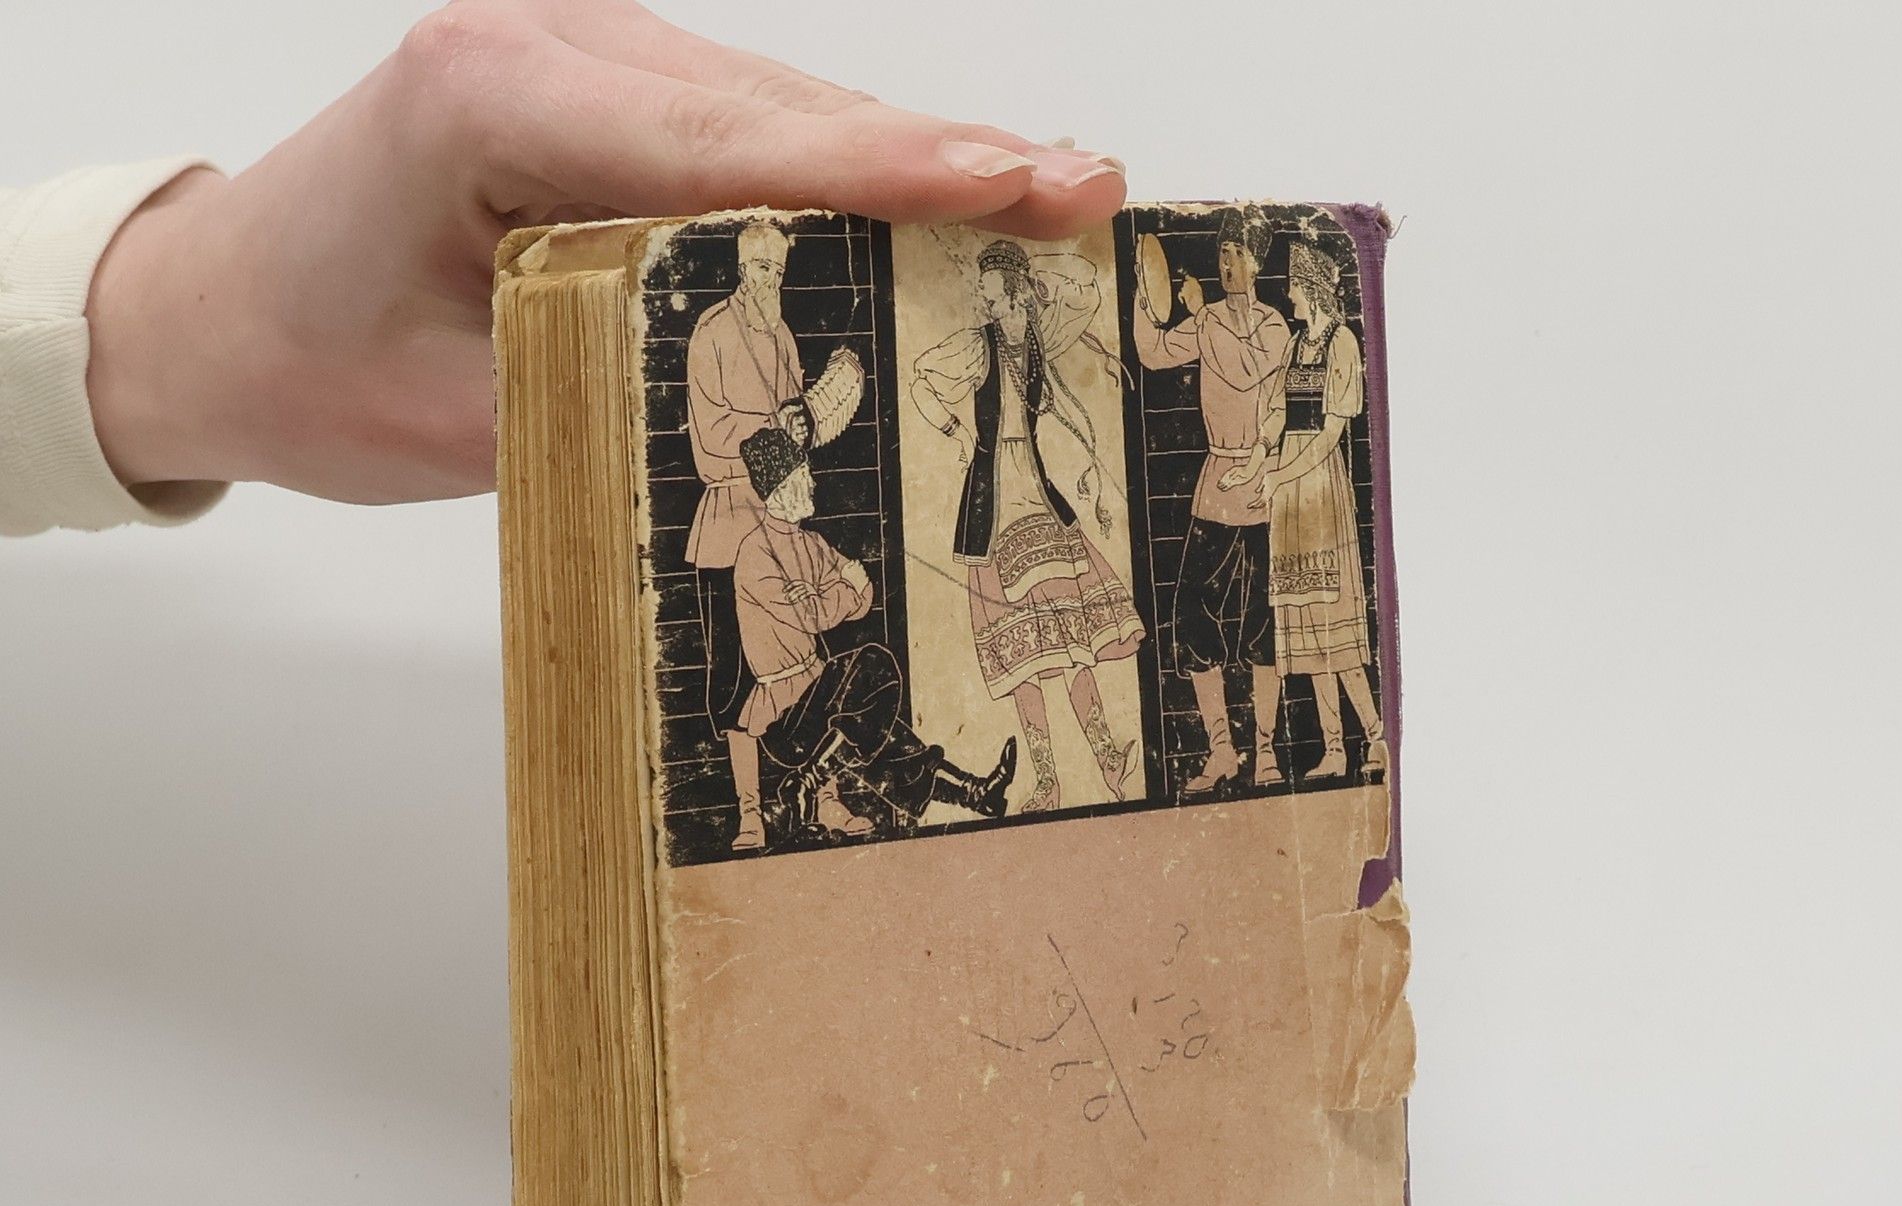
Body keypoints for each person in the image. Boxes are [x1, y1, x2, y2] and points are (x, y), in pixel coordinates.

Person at [0, 1, 1126, 540]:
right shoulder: (739, 336)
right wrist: (184, 335)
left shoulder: (794, 331)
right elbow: (741, 448)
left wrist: (159, 329)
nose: (769, 268)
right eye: (763, 260)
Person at [909, 237, 1142, 815]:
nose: (984, 300)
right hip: (992, 511)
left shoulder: (1037, 341)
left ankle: (1109, 760)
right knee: (1023, 658)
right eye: (983, 291)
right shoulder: (979, 346)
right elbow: (920, 378)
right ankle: (1047, 781)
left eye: (992, 290)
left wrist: (1038, 271)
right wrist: (956, 432)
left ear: (1014, 290)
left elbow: (1082, 300)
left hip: (1037, 497)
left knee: (1073, 640)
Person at [732, 426, 1016, 843]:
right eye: (803, 475)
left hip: (821, 697)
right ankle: (809, 782)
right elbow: (814, 614)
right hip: (783, 719)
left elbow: (864, 596)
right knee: (873, 664)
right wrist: (838, 590)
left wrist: (831, 594)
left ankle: (975, 793)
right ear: (781, 488)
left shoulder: (812, 542)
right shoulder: (755, 552)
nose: (812, 483)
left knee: (881, 731)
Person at [1132, 205, 1294, 792]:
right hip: (1214, 485)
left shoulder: (1274, 328)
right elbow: (1152, 352)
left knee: (1263, 624)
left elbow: (1244, 369)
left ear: (1258, 262)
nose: (1228, 264)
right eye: (1223, 252)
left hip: (1261, 487)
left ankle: (1267, 753)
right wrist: (1145, 293)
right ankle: (1222, 750)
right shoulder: (1207, 322)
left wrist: (1201, 314)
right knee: (1192, 619)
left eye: (1239, 254)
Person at [1222, 240, 1384, 781]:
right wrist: (1253, 466)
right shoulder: (1295, 344)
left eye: (1293, 286)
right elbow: (1275, 416)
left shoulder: (1342, 343)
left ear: (1311, 290)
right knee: (1308, 624)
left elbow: (1331, 432)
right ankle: (1335, 749)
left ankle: (1375, 737)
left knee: (1333, 618)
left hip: (1319, 488)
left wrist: (1278, 475)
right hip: (1289, 492)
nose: (1288, 294)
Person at [684, 222, 810, 849]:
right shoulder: (711, 332)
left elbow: (797, 429)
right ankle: (749, 813)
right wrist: (777, 424)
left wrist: (804, 423)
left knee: (802, 662)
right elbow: (711, 436)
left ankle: (816, 797)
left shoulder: (783, 335)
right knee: (738, 677)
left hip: (782, 522)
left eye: (779, 271)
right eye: (762, 269)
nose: (770, 281)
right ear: (741, 267)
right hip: (730, 526)